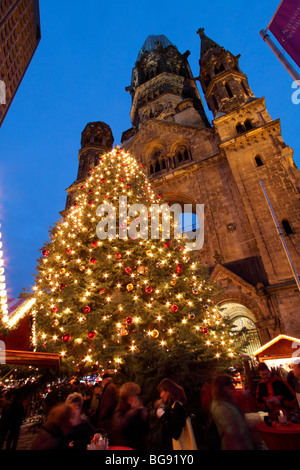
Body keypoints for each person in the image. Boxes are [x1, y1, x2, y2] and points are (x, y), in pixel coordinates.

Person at [210, 374, 254, 450]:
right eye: (230, 388)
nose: (233, 390)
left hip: (242, 443)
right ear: (223, 389)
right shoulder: (220, 407)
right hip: (235, 445)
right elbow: (231, 430)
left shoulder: (227, 402)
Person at [111, 382, 149, 450]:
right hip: (126, 445)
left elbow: (145, 430)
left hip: (138, 445)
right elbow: (120, 426)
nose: (137, 398)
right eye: (135, 395)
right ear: (128, 396)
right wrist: (133, 411)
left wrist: (144, 416)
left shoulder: (138, 408)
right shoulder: (121, 408)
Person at [156, 378, 187, 450]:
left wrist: (163, 416)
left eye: (162, 392)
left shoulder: (177, 406)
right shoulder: (173, 406)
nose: (160, 395)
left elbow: (175, 433)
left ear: (168, 392)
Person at [96, 373, 118, 439]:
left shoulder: (109, 388)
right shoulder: (111, 387)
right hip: (108, 418)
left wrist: (101, 416)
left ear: (106, 380)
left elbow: (108, 404)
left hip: (107, 420)